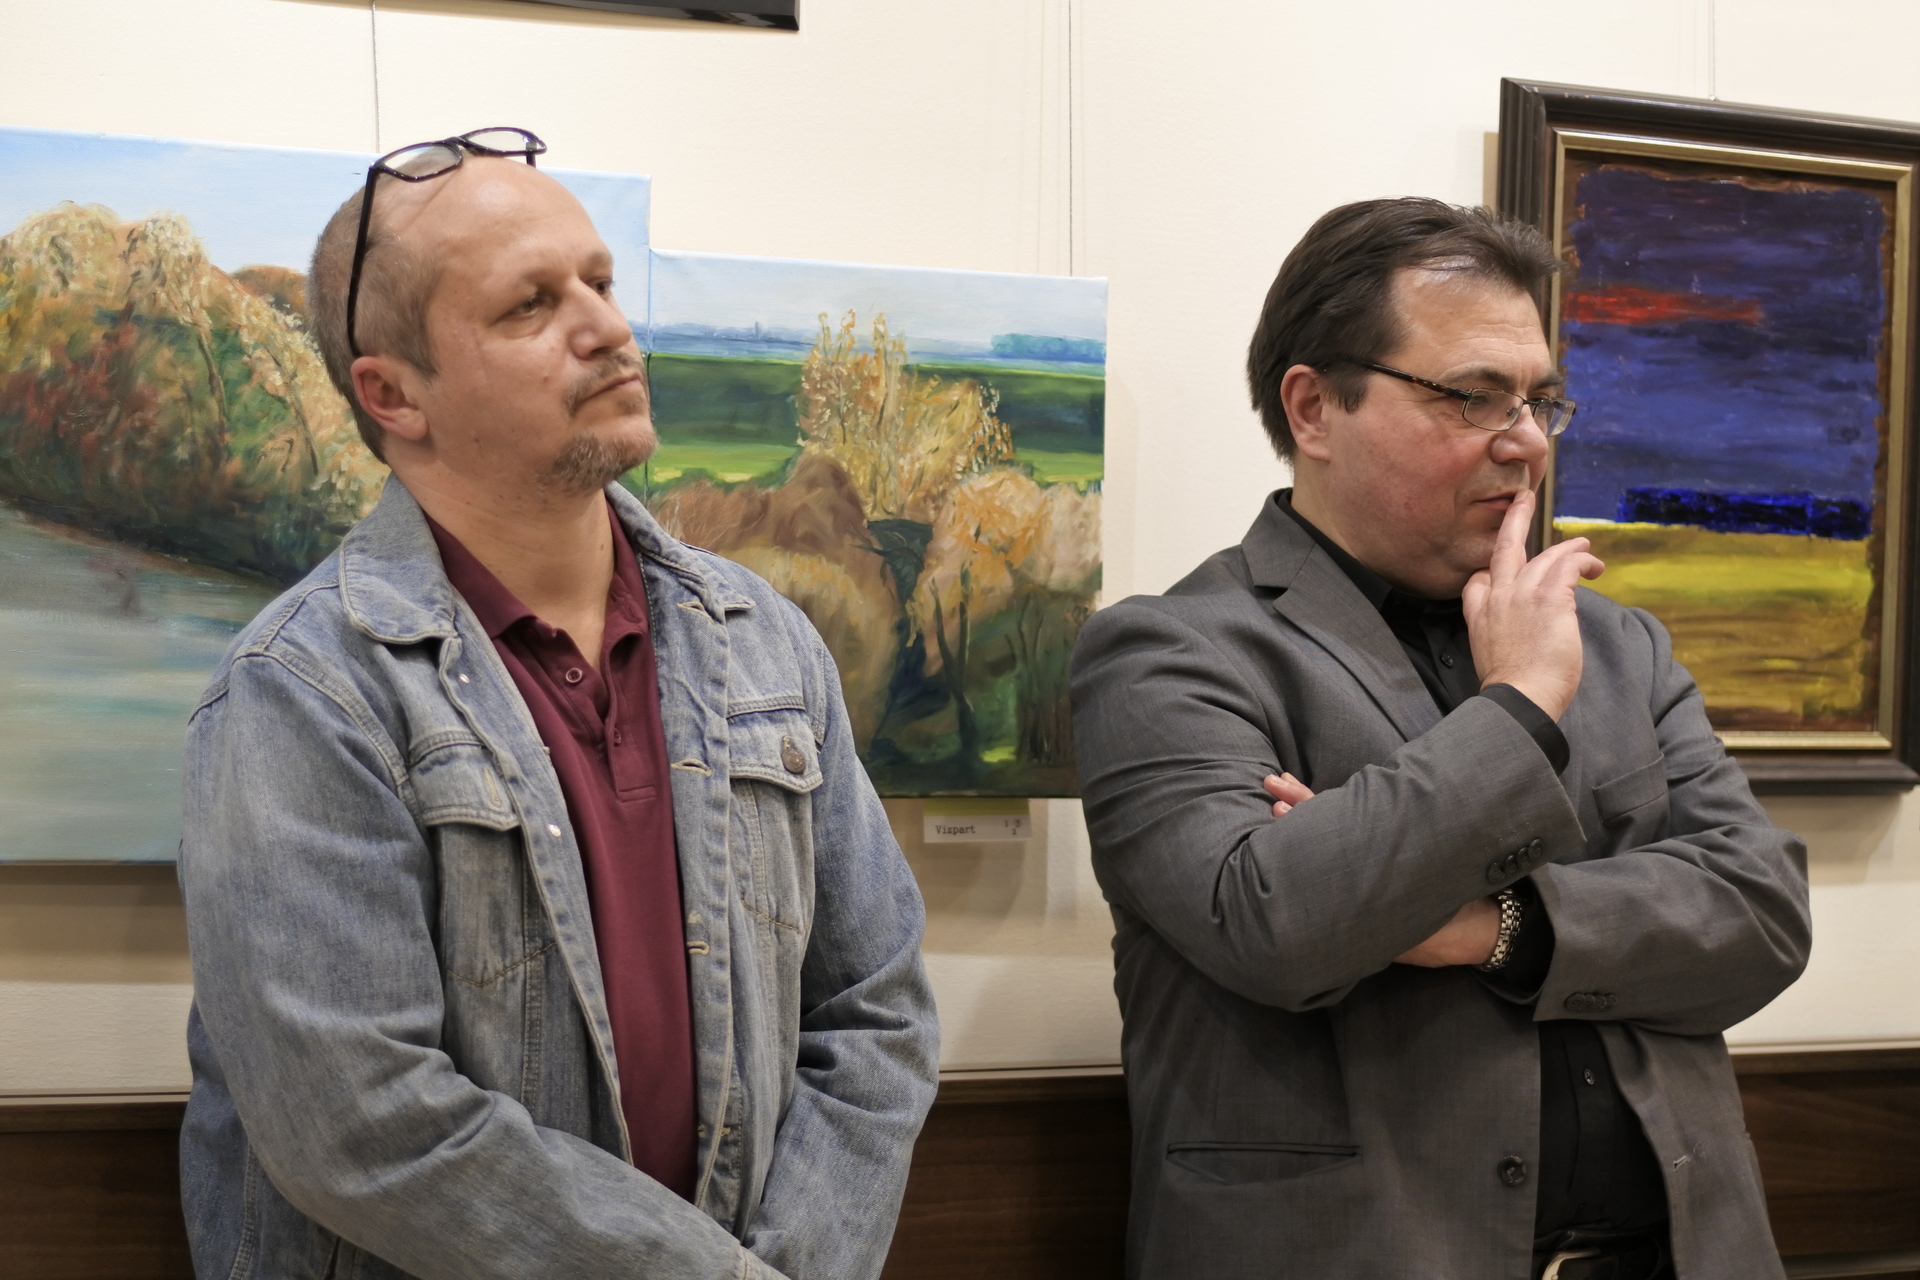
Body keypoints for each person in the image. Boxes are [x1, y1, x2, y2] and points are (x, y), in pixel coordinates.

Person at [177, 129, 939, 1280]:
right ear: (394, 393)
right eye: (530, 304)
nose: (606, 328)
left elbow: (877, 1011)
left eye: (600, 282)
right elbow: (365, 1123)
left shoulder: (766, 642)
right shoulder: (305, 689)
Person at [1069, 198, 1810, 1280]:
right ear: (1315, 408)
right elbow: (1277, 923)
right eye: (1473, 396)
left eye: (1540, 401)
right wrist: (1520, 702)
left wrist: (1493, 928)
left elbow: (1760, 913)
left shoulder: (1618, 643)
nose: (1526, 440)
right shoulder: (1170, 651)